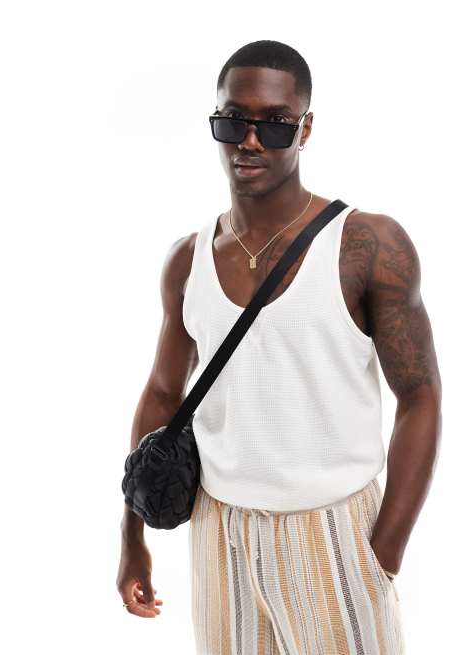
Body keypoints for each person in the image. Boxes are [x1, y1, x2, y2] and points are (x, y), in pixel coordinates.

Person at [117, 40, 442, 654]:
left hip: (334, 534)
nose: (250, 141)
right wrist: (131, 537)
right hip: (218, 535)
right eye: (233, 120)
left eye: (275, 124)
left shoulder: (366, 246)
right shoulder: (188, 260)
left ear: (305, 128)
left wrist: (383, 554)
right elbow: (162, 394)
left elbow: (421, 396)